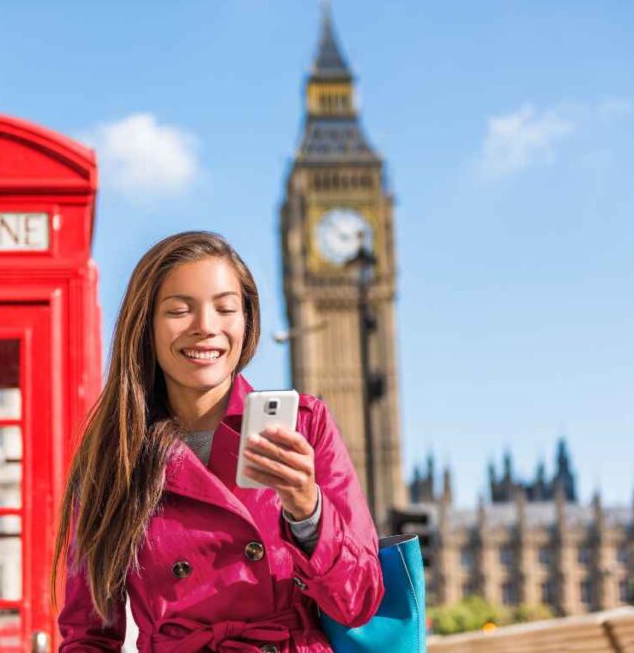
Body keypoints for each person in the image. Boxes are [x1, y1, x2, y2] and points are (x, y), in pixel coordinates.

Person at [50, 231, 384, 652]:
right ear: (146, 326)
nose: (205, 327)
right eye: (178, 310)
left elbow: (360, 602)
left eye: (225, 308)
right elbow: (88, 636)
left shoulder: (304, 426)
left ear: (247, 322)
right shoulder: (112, 461)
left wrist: (308, 511)